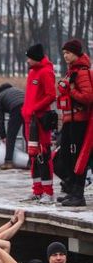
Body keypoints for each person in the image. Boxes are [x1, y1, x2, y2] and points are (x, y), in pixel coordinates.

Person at [55, 39, 93, 207]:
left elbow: (88, 97)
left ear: (76, 54)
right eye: (63, 53)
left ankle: (78, 193)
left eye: (68, 53)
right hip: (69, 119)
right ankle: (71, 189)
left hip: (79, 121)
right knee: (65, 155)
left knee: (78, 157)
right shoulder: (71, 71)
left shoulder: (82, 72)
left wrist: (70, 90)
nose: (65, 56)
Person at [22, 43, 58, 203]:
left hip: (41, 120)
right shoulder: (32, 73)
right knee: (33, 155)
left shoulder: (46, 72)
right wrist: (26, 111)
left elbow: (51, 95)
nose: (27, 61)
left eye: (29, 58)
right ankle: (37, 190)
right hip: (30, 120)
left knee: (44, 154)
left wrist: (35, 108)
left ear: (36, 58)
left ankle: (48, 192)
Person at [0, 83, 25, 170]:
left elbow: (0, 119)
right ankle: (32, 161)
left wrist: (3, 136)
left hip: (16, 108)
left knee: (10, 136)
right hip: (28, 105)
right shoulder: (17, 90)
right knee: (28, 135)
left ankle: (8, 162)